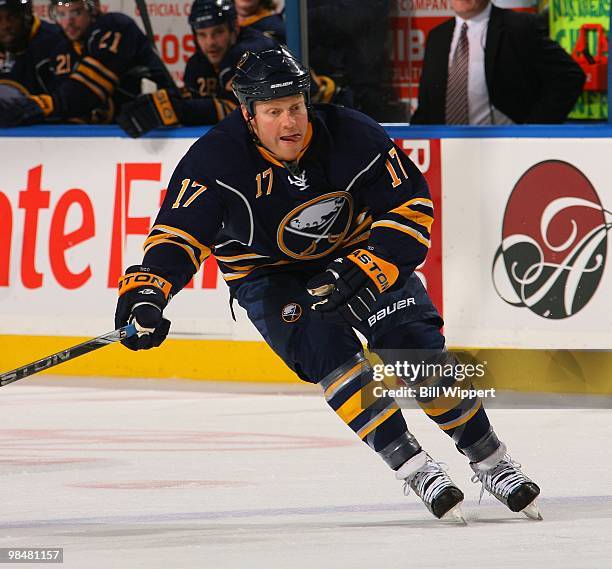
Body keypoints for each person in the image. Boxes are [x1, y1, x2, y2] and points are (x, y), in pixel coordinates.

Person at [114, 45, 542, 521]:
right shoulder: (214, 161)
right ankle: (414, 466)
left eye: (295, 106)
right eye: (274, 111)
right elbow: (178, 235)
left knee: (414, 347)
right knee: (331, 355)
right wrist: (148, 292)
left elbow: (411, 207)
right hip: (266, 272)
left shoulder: (352, 134)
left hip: (356, 251)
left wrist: (370, 263)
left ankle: (491, 459)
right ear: (249, 115)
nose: (289, 122)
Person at [117, 0, 277, 137]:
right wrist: (165, 103)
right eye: (202, 34)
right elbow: (192, 101)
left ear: (234, 28)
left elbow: (240, 112)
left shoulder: (253, 52)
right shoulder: (198, 64)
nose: (210, 43)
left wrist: (178, 110)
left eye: (218, 32)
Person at [0, 0, 174, 126]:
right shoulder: (62, 48)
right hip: (114, 132)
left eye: (76, 12)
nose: (68, 22)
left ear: (93, 8)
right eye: (60, 14)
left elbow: (87, 91)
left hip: (160, 125)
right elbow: (70, 106)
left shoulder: (115, 26)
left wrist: (40, 106)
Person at [410, 0, 585, 124]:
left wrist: (533, 131)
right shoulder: (437, 36)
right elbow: (426, 106)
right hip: (447, 153)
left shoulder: (519, 27)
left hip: (506, 151)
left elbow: (569, 77)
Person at [0, 0, 66, 125]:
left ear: (27, 15)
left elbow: (66, 103)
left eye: (12, 17)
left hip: (48, 131)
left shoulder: (54, 43)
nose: (5, 25)